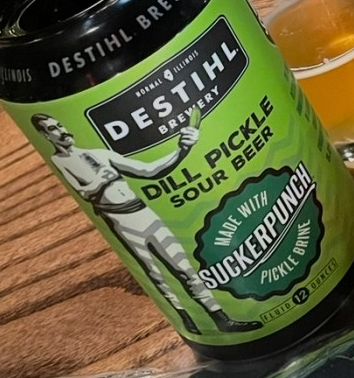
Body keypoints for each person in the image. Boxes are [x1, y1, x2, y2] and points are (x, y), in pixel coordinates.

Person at [31, 113, 259, 335]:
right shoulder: (60, 161)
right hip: (120, 219)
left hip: (142, 210)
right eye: (53, 129)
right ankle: (186, 319)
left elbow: (149, 171)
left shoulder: (99, 154)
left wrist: (182, 150)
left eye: (60, 125)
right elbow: (82, 191)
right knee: (155, 273)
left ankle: (221, 319)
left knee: (184, 267)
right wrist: (101, 179)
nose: (61, 131)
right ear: (45, 136)